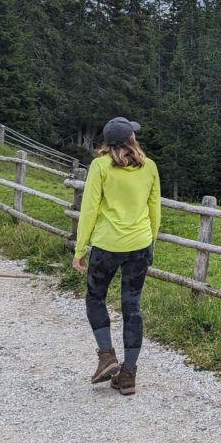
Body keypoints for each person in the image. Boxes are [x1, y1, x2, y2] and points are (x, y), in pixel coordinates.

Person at [72, 116, 161, 395]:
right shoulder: (150, 167)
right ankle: (128, 375)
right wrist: (151, 243)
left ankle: (107, 356)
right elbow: (154, 209)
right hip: (140, 245)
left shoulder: (99, 167)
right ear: (131, 139)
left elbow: (88, 210)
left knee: (95, 297)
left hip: (107, 245)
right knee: (132, 306)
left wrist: (79, 248)